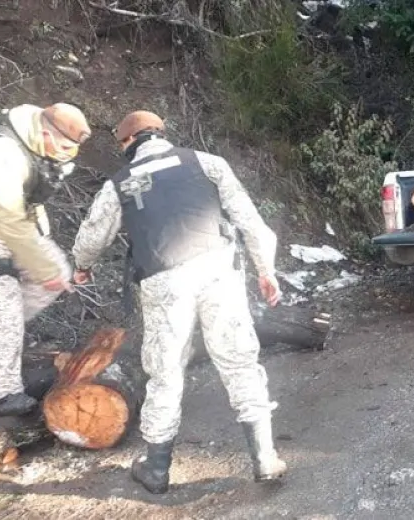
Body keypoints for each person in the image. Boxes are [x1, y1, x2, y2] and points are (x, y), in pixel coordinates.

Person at [70, 110, 286, 494]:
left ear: (126, 143)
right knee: (239, 360)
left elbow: (92, 235)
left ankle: (156, 469)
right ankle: (265, 457)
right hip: (219, 271)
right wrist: (266, 270)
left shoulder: (119, 184)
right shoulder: (206, 163)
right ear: (160, 134)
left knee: (165, 371)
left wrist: (81, 266)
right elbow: (251, 221)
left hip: (163, 282)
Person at [0, 102, 90, 415]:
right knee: (2, 295)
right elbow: (7, 215)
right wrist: (39, 266)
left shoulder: (32, 145)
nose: (65, 154)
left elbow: (27, 205)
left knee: (59, 272)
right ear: (45, 133)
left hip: (10, 226)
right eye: (62, 147)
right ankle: (7, 394)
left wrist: (46, 260)